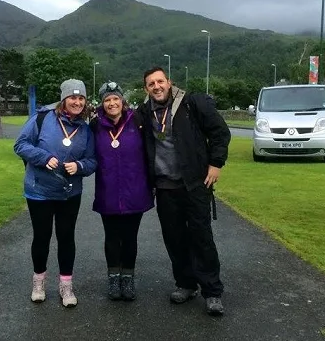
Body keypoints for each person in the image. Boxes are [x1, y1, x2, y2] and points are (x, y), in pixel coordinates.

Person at [137, 67, 231, 316]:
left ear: (169, 82)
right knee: (175, 239)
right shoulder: (144, 112)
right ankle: (186, 284)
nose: (156, 86)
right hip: (166, 187)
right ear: (146, 89)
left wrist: (216, 163)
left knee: (201, 237)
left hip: (195, 184)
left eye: (160, 81)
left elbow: (220, 132)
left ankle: (212, 291)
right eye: (150, 84)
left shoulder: (192, 103)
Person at [14, 79, 97, 308]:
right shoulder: (42, 118)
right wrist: (43, 158)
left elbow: (92, 161)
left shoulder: (86, 129)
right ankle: (38, 282)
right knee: (41, 237)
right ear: (64, 99)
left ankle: (66, 285)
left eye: (81, 98)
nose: (77, 102)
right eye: (73, 97)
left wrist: (79, 167)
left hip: (69, 193)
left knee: (66, 238)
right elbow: (20, 145)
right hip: (39, 191)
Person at [89, 81, 154, 301]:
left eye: (115, 98)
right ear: (102, 103)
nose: (112, 103)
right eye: (107, 100)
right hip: (108, 189)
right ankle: (113, 279)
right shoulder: (95, 125)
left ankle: (128, 279)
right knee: (111, 237)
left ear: (122, 100)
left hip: (134, 189)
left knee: (130, 237)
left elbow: (153, 149)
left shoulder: (137, 121)